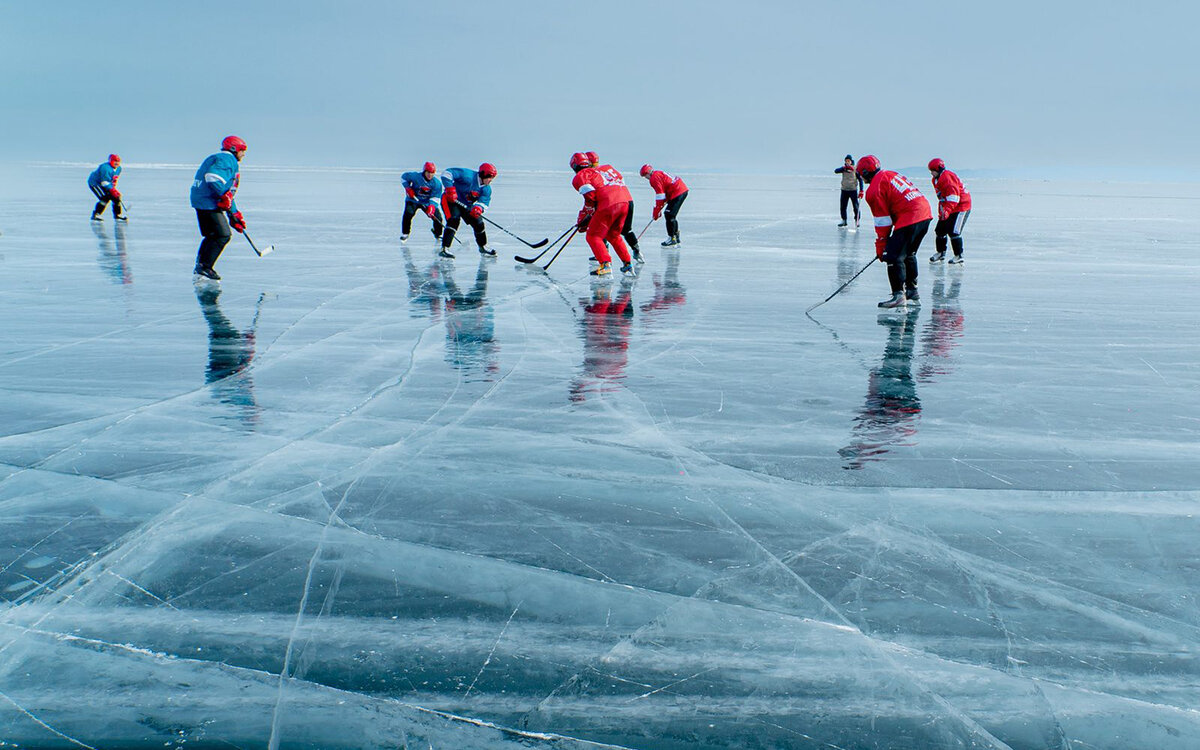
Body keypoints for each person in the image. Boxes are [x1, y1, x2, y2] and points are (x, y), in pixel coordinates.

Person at [857, 154, 932, 309]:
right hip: (924, 214)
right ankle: (912, 290)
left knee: (893, 256)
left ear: (865, 173)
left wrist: (882, 245)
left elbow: (883, 221)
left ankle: (898, 295)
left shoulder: (873, 189)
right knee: (908, 253)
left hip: (910, 216)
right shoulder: (890, 174)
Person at [189, 135, 248, 281]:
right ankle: (205, 267)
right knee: (222, 235)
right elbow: (213, 178)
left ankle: (201, 265)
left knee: (212, 235)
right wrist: (224, 197)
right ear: (234, 149)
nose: (244, 154)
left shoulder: (216, 157)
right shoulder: (228, 159)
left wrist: (234, 214)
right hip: (208, 203)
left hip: (201, 200)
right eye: (242, 150)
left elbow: (227, 193)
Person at [571, 152, 635, 277]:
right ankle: (627, 264)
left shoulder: (581, 176)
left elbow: (590, 196)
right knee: (613, 235)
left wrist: (585, 216)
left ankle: (605, 265)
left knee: (593, 236)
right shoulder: (604, 170)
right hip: (625, 202)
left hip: (609, 203)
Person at [588, 150, 644, 263]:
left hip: (612, 202)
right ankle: (636, 250)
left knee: (601, 228)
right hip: (627, 200)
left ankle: (603, 253)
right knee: (626, 230)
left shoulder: (593, 173)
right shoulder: (608, 169)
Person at [439, 163, 497, 259]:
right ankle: (445, 248)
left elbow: (484, 202)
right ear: (483, 174)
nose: (490, 180)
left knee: (478, 222)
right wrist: (450, 189)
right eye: (490, 177)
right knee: (454, 220)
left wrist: (479, 208)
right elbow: (447, 173)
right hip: (451, 201)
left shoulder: (486, 189)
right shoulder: (468, 176)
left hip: (466, 205)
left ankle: (483, 246)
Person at [927, 158, 972, 264]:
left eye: (933, 170)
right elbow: (942, 198)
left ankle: (959, 255)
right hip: (949, 207)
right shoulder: (935, 180)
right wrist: (942, 212)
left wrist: (947, 210)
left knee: (954, 231)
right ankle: (940, 253)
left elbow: (954, 197)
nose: (931, 173)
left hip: (961, 206)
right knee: (940, 230)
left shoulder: (947, 177)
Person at [639, 164, 689, 247]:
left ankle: (672, 238)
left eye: (645, 176)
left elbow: (660, 195)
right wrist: (658, 209)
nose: (646, 178)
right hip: (679, 190)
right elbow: (665, 191)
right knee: (671, 214)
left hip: (678, 192)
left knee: (669, 214)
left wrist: (657, 210)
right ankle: (676, 236)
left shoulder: (654, 179)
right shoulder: (658, 173)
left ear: (648, 173)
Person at [400, 161, 444, 242]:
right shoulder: (415, 176)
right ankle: (405, 233)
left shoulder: (437, 184)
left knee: (437, 217)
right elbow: (403, 177)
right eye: (428, 172)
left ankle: (438, 234)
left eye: (432, 173)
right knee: (408, 214)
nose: (430, 175)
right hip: (413, 200)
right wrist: (408, 188)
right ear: (424, 171)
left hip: (427, 202)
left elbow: (435, 197)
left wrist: (431, 207)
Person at [88, 154, 126, 221]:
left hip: (106, 183)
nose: (116, 163)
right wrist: (112, 190)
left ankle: (118, 215)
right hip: (95, 183)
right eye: (114, 161)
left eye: (118, 161)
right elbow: (104, 182)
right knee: (105, 198)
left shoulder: (119, 169)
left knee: (116, 198)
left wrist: (114, 190)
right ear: (110, 161)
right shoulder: (105, 168)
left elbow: (113, 180)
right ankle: (96, 214)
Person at [834, 154, 863, 227]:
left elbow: (860, 180)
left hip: (853, 190)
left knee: (856, 207)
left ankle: (857, 220)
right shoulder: (843, 169)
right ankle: (844, 220)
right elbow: (836, 171)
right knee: (843, 206)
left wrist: (861, 190)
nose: (847, 162)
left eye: (848, 161)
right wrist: (843, 168)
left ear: (851, 161)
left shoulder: (855, 169)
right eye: (846, 161)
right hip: (844, 190)